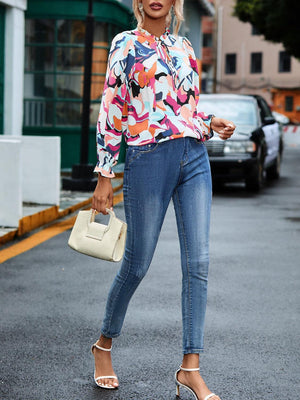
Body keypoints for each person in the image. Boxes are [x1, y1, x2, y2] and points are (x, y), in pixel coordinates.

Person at [91, 0, 235, 399]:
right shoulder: (124, 44)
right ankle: (104, 344)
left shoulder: (185, 48)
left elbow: (181, 109)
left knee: (199, 262)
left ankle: (191, 368)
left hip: (194, 156)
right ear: (139, 1)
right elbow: (112, 109)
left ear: (175, 1)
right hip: (147, 157)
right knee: (137, 264)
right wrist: (105, 173)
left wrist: (208, 124)